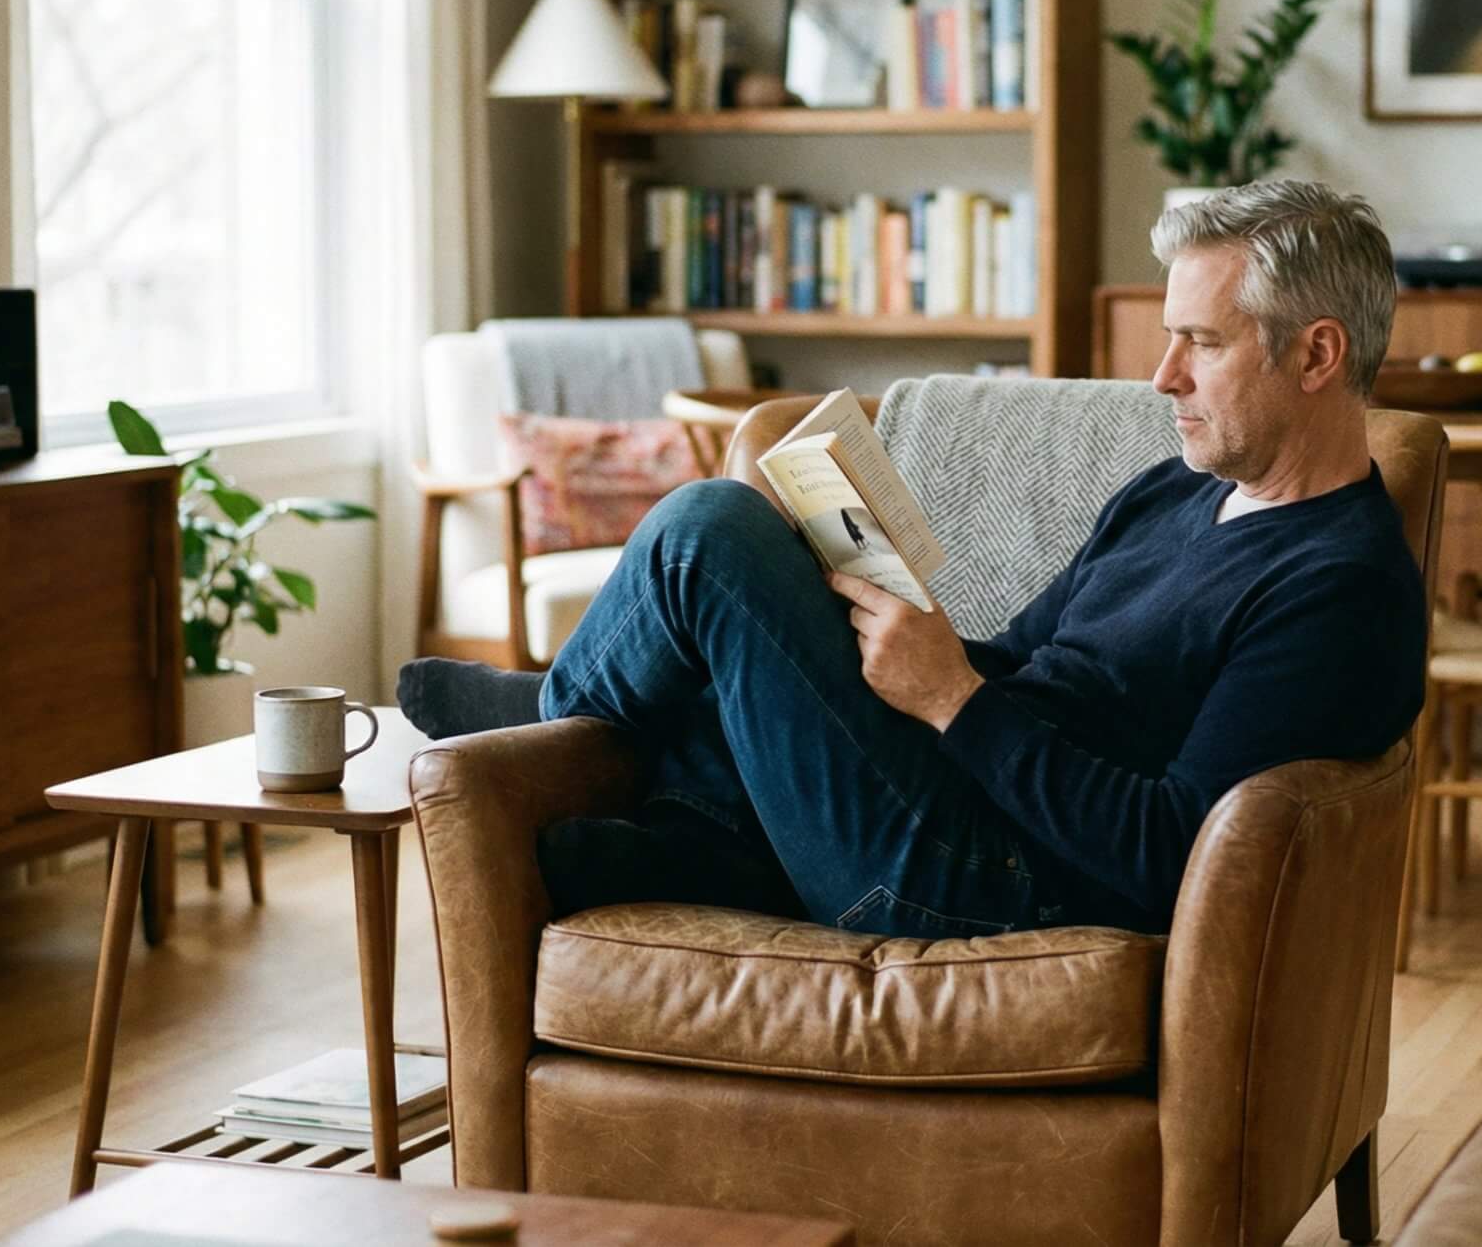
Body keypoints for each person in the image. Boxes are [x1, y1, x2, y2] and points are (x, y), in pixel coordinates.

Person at [398, 179, 1427, 937]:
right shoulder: (1180, 488)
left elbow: (1177, 852)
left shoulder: (1339, 592)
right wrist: (875, 619)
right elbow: (1028, 657)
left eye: (1198, 342)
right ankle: (699, 837)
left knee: (710, 531)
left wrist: (950, 700)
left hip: (989, 882)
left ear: (1316, 353)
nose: (1160, 377)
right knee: (756, 609)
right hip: (951, 798)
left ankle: (552, 720)